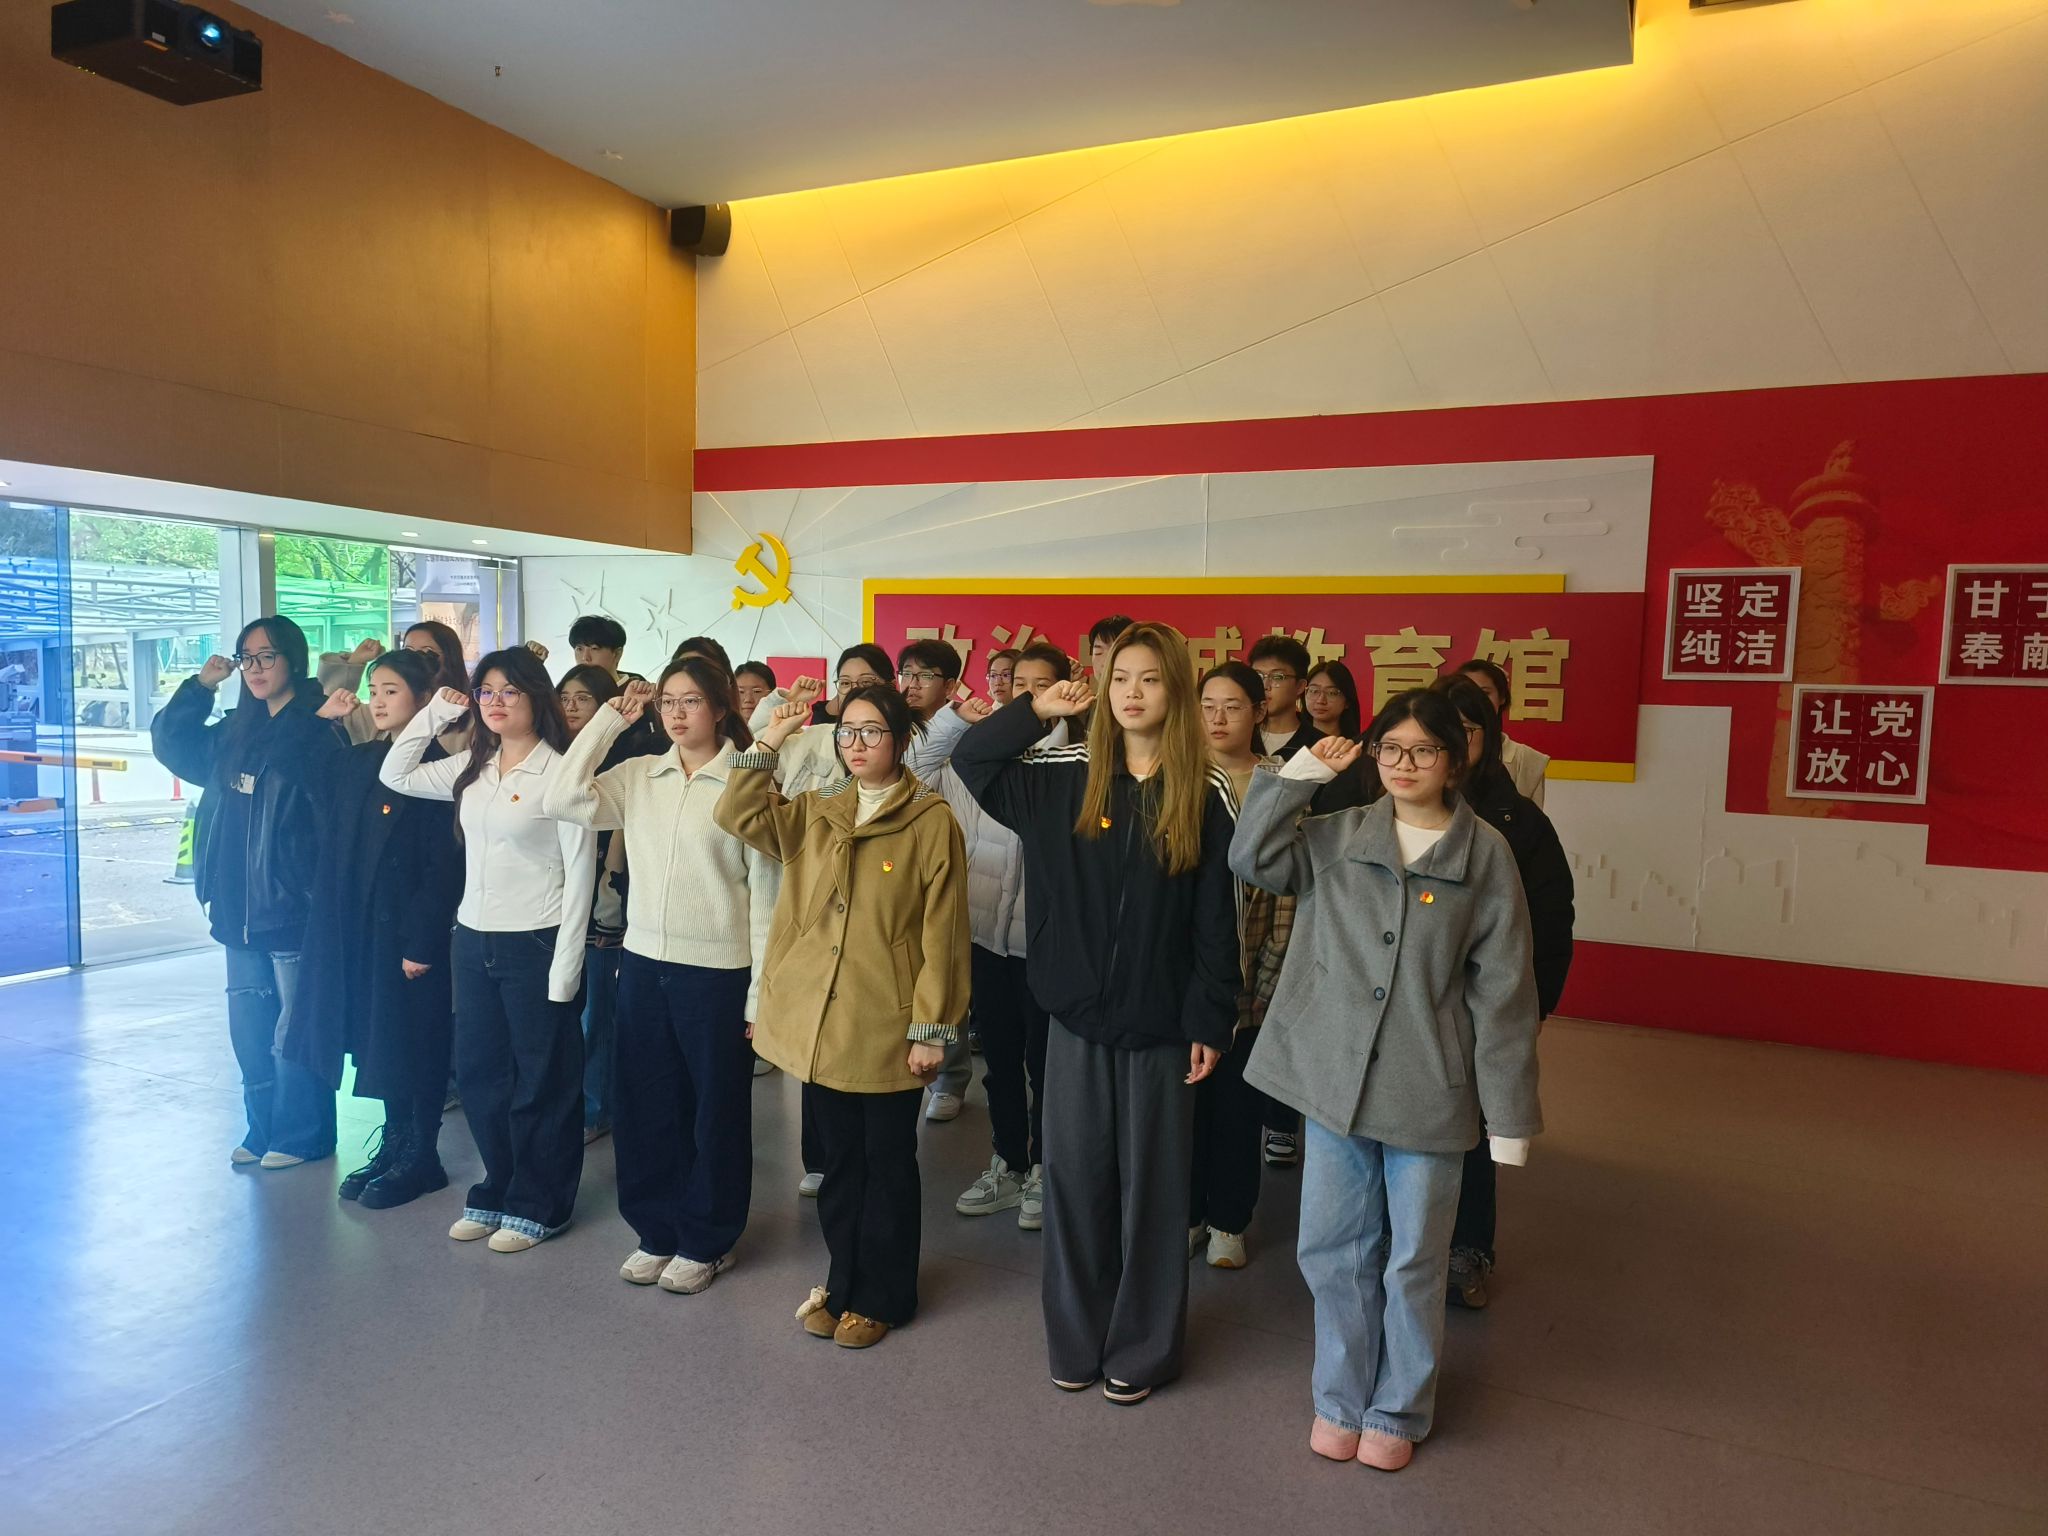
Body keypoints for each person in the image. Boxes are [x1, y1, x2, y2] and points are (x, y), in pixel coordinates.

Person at [1230, 689, 1541, 1472]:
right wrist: (1299, 773)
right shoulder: (1336, 834)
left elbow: (1504, 994)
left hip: (1427, 1089)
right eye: (1390, 748)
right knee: (1331, 1249)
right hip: (1334, 1079)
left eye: (1423, 750)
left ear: (1455, 761)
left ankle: (1398, 1408)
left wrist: (1509, 1115)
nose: (1404, 764)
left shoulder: (1486, 856)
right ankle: (1339, 1399)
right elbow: (1252, 856)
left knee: (1414, 1260)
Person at [953, 622, 1239, 1405]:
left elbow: (1218, 918)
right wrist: (1035, 710)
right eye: (1120, 678)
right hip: (1074, 1018)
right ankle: (1076, 1341)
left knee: (1154, 1196)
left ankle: (1143, 1349)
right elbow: (973, 760)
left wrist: (1210, 1017)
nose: (1133, 693)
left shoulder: (1205, 788)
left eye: (1150, 678)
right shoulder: (1060, 774)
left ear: (1175, 690)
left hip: (1162, 1026)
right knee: (1074, 1186)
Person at [717, 685, 970, 1349]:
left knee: (886, 1165)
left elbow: (944, 933)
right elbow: (736, 812)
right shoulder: (816, 809)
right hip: (821, 1023)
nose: (857, 744)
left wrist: (931, 1030)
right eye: (847, 731)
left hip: (885, 1023)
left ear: (902, 739)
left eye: (873, 731)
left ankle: (885, 1296)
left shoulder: (930, 820)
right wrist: (770, 738)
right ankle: (843, 1281)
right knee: (839, 1165)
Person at [543, 660, 775, 1296]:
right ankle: (656, 1229)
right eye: (668, 701)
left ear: (721, 708)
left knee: (714, 1113)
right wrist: (608, 721)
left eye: (691, 701)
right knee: (646, 1104)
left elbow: (767, 897)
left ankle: (708, 1239)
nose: (676, 713)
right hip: (643, 964)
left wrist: (759, 994)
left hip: (720, 971)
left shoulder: (747, 779)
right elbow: (560, 798)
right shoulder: (640, 774)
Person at [381, 647, 598, 1253]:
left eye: (509, 691)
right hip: (473, 940)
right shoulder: (472, 767)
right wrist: (433, 714)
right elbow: (395, 774)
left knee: (542, 1082)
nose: (494, 702)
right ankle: (498, 1185)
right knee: (480, 1077)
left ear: (537, 698)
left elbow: (581, 876)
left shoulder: (561, 773)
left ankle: (542, 1202)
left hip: (538, 941)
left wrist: (567, 970)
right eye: (485, 692)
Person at [149, 616, 343, 1171]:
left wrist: (311, 716)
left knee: (293, 1031)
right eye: (247, 658)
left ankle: (304, 1135)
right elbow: (172, 744)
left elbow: (318, 799)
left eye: (267, 656)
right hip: (237, 907)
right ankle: (262, 1130)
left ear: (293, 661)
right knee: (251, 1031)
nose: (255, 669)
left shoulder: (320, 724)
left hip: (291, 906)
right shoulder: (236, 729)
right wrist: (200, 688)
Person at [289, 650, 464, 1208]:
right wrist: (319, 721)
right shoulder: (360, 760)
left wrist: (423, 940)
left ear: (424, 700)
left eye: (392, 690)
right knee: (380, 1040)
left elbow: (444, 866)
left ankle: (423, 1154)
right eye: (375, 690)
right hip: (362, 929)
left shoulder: (441, 769)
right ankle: (395, 1142)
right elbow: (300, 775)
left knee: (418, 1040)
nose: (379, 701)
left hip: (409, 935)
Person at [1432, 676, 1574, 1308]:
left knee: (1473, 1127)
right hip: (1407, 1010)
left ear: (1488, 738)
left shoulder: (1519, 822)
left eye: (1466, 730)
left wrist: (1535, 1005)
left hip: (1480, 1009)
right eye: (1440, 729)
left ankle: (1468, 1248)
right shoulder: (1387, 810)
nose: (1451, 743)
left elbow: (1551, 920)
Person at [941, 642, 1071, 1231]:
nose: (1031, 696)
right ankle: (1008, 1161)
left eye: (1043, 685)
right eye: (1021, 685)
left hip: (1046, 942)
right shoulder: (982, 753)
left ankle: (1045, 1167)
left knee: (1046, 1064)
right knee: (998, 1060)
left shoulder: (1076, 758)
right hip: (987, 935)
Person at [1188, 660, 1295, 1271]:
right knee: (1184, 1105)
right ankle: (1187, 1214)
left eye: (1232, 706)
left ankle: (1229, 1220)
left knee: (1237, 1105)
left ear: (1259, 710)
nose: (1218, 718)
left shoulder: (1281, 784)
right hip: (1186, 975)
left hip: (1253, 969)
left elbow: (1288, 893)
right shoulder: (1178, 774)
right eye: (1207, 705)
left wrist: (1271, 976)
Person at [894, 637, 993, 1123]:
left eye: (925, 675)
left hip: (953, 862)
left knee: (944, 973)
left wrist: (956, 720)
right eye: (906, 673)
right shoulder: (895, 726)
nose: (912, 684)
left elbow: (921, 763)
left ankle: (951, 1078)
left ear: (951, 685)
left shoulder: (966, 728)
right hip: (900, 867)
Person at [556, 665, 629, 1143]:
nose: (570, 706)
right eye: (564, 697)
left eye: (582, 698)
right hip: (557, 903)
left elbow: (619, 843)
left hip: (603, 905)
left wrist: (610, 905)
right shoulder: (554, 757)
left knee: (595, 1017)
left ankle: (596, 1107)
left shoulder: (622, 761)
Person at [1455, 658, 1548, 807]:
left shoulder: (1527, 759)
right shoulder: (1443, 748)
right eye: (1467, 693)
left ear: (1502, 697)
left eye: (1485, 693)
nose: (1477, 701)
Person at [1247, 635, 1316, 759]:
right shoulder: (1239, 737)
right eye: (1258, 676)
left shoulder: (1319, 746)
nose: (1265, 686)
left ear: (1300, 686)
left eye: (1277, 677)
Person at [1303, 659, 1363, 741]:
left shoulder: (1357, 746)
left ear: (1347, 701)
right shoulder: (1292, 743)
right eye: (1314, 691)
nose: (1320, 700)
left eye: (1332, 693)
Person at [569, 614, 634, 681]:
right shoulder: (568, 686)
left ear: (617, 654)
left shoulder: (636, 686)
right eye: (579, 649)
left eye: (594, 648)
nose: (585, 658)